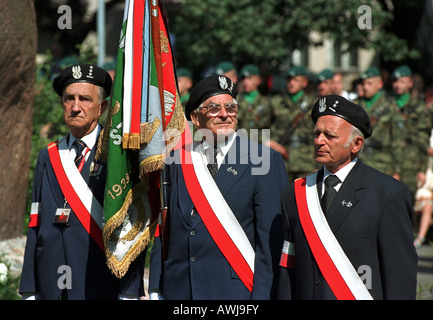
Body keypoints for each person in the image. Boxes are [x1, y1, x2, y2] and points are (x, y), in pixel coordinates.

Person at [148, 75, 289, 300]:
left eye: (231, 107)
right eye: (214, 108)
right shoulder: (177, 160)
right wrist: (156, 286)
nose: (224, 114)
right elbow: (165, 227)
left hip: (236, 292)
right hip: (181, 290)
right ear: (195, 117)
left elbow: (271, 243)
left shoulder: (263, 160)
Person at [20, 64, 146, 300]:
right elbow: (35, 224)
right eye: (69, 98)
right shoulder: (48, 156)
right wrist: (30, 288)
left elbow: (134, 228)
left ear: (103, 107)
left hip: (98, 284)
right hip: (51, 286)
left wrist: (129, 291)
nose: (75, 107)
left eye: (85, 99)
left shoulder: (118, 157)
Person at [277, 95, 417, 300]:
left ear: (356, 144)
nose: (319, 141)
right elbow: (288, 267)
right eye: (317, 133)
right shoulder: (295, 193)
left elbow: (400, 277)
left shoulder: (387, 194)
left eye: (330, 135)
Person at [268, 65, 318, 181]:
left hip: (305, 160)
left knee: (304, 197)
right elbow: (261, 127)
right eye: (289, 79)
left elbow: (319, 133)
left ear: (304, 82)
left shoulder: (313, 103)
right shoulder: (276, 102)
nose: (291, 83)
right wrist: (267, 141)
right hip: (280, 160)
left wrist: (319, 165)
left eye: (296, 80)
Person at [391, 65, 431, 198]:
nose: (398, 85)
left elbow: (423, 138)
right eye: (395, 81)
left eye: (402, 81)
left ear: (410, 83)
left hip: (412, 164)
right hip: (389, 162)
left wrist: (422, 169)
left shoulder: (419, 107)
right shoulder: (387, 105)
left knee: (409, 204)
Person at [354, 67, 397, 177]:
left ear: (380, 84)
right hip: (358, 163)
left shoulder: (389, 106)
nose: (366, 87)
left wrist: (397, 171)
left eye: (370, 83)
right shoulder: (354, 106)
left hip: (382, 164)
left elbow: (397, 140)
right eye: (364, 84)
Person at [236, 64, 272, 142]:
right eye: (243, 79)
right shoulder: (235, 101)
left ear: (258, 80)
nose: (245, 82)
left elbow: (268, 128)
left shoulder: (266, 103)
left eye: (250, 78)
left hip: (259, 146)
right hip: (238, 144)